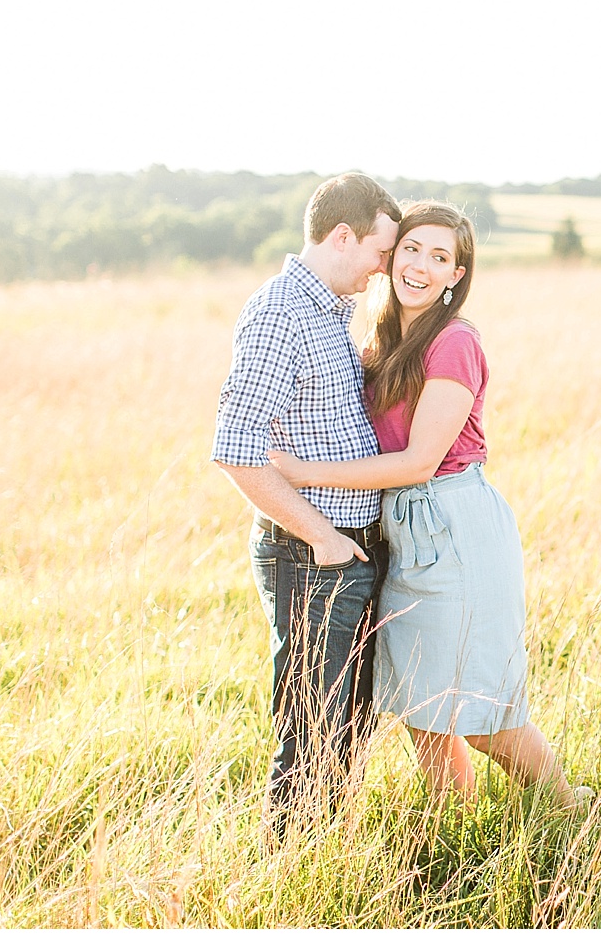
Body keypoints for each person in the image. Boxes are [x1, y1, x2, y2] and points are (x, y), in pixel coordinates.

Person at [269, 200, 590, 811]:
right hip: (400, 527)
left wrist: (300, 472)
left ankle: (568, 807)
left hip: (452, 524)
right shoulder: (380, 337)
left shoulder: (454, 342)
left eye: (439, 257)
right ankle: (454, 832)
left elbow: (419, 460)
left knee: (480, 711)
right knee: (424, 705)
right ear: (390, 256)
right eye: (411, 248)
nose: (419, 265)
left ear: (455, 277)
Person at [211, 172, 401, 837]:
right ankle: (285, 878)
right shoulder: (280, 312)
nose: (384, 269)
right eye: (381, 252)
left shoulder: (329, 311)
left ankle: (326, 867)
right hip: (312, 553)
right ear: (342, 236)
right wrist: (321, 536)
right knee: (310, 733)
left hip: (348, 548)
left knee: (347, 728)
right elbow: (235, 448)